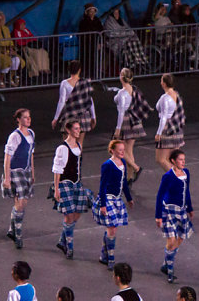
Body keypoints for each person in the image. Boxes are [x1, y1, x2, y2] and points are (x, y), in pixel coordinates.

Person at [52, 121, 91, 260]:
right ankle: (69, 247)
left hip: (76, 183)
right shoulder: (62, 148)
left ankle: (62, 240)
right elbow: (57, 169)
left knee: (77, 213)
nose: (78, 131)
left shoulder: (79, 145)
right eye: (75, 129)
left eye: (79, 129)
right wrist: (56, 189)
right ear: (68, 130)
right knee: (69, 215)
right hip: (65, 184)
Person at [155, 149, 194, 284]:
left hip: (181, 210)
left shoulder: (186, 173)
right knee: (171, 240)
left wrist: (190, 207)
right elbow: (160, 195)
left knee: (181, 237)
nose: (183, 162)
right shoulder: (168, 176)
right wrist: (158, 215)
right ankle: (170, 271)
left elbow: (186, 191)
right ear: (173, 161)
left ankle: (167, 262)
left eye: (184, 159)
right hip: (168, 211)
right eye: (180, 160)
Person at [94, 140, 134, 270]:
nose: (123, 152)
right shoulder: (108, 165)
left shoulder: (122, 163)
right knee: (112, 228)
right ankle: (110, 258)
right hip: (108, 198)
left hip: (117, 199)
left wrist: (128, 198)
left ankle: (103, 255)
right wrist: (103, 204)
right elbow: (103, 185)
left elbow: (124, 183)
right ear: (113, 150)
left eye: (123, 149)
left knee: (112, 228)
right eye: (120, 150)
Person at [2, 108, 35, 249]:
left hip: (26, 171)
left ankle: (12, 229)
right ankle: (18, 235)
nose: (28, 119)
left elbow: (31, 154)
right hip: (15, 171)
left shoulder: (32, 133)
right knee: (20, 202)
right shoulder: (15, 136)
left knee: (22, 202)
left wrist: (33, 172)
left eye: (29, 117)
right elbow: (7, 157)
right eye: (25, 117)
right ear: (19, 119)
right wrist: (7, 178)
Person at [112, 67, 151, 181]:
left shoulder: (122, 93)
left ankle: (136, 168)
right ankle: (129, 177)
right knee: (129, 150)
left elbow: (121, 112)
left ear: (121, 77)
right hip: (136, 120)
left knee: (120, 150)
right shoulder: (135, 90)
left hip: (126, 122)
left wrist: (118, 129)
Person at [51, 60, 96, 147]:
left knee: (67, 144)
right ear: (79, 70)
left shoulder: (65, 83)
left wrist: (56, 118)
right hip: (83, 115)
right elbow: (89, 100)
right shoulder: (85, 82)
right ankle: (78, 161)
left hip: (69, 115)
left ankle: (68, 160)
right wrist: (93, 117)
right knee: (79, 144)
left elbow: (61, 101)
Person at [154, 73, 186, 172]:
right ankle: (177, 179)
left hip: (167, 129)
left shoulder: (165, 98)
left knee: (161, 159)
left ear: (163, 83)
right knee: (172, 159)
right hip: (177, 128)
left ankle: (177, 177)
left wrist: (158, 133)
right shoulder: (177, 94)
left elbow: (164, 117)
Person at [0, 10, 24, 88]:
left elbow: (10, 42)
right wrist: (1, 50)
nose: (0, 21)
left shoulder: (6, 29)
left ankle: (10, 78)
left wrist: (12, 50)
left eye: (2, 19)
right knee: (6, 61)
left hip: (7, 52)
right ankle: (1, 80)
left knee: (17, 60)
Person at [78, 3, 104, 77]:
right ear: (87, 12)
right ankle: (87, 75)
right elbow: (82, 32)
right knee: (87, 59)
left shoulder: (97, 20)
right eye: (90, 12)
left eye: (93, 12)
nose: (92, 13)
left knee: (96, 59)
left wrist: (100, 42)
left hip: (96, 42)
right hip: (87, 44)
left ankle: (95, 74)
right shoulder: (83, 22)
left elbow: (101, 31)